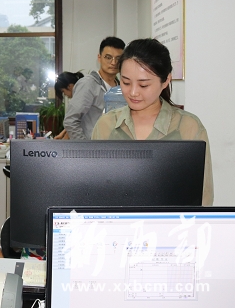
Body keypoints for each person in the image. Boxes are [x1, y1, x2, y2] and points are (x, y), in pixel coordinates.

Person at [92, 38, 213, 205]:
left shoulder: (188, 127)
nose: (133, 92)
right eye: (126, 82)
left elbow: (203, 197)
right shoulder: (106, 125)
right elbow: (94, 190)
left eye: (143, 85)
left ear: (166, 81)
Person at [63, 36, 125, 139]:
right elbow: (71, 121)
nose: (113, 63)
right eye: (108, 57)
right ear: (99, 58)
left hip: (114, 146)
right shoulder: (88, 84)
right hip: (93, 146)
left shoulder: (121, 87)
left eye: (118, 58)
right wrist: (85, 147)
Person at [53, 71, 84, 139]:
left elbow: (74, 123)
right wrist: (62, 134)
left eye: (63, 91)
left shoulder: (81, 99)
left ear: (69, 86)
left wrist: (64, 140)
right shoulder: (79, 97)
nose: (65, 94)